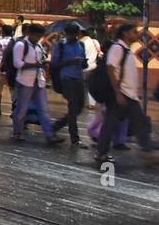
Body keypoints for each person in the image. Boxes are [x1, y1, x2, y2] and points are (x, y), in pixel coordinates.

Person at [97, 23, 153, 166]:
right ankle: (102, 153)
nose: (137, 34)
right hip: (121, 94)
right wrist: (117, 93)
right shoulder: (118, 48)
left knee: (137, 122)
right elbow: (110, 69)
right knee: (113, 123)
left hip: (128, 94)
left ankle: (148, 152)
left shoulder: (126, 50)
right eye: (134, 32)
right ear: (125, 33)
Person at [9, 22, 61, 143]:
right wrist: (35, 65)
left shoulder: (38, 46)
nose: (38, 38)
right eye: (36, 35)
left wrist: (44, 65)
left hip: (39, 81)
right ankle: (17, 132)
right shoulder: (21, 45)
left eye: (40, 36)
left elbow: (41, 60)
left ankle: (50, 135)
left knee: (44, 109)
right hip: (24, 82)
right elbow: (17, 63)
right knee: (21, 109)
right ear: (30, 33)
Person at [50, 21, 90, 149]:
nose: (73, 37)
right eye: (71, 35)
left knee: (79, 108)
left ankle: (55, 127)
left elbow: (84, 64)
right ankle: (75, 139)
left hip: (79, 79)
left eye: (75, 35)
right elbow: (54, 64)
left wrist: (84, 62)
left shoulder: (81, 45)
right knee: (73, 107)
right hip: (66, 79)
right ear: (66, 34)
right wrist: (70, 61)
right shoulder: (61, 45)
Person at [0, 23, 14, 115]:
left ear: (3, 32)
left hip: (2, 69)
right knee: (12, 91)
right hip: (12, 69)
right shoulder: (14, 42)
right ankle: (14, 110)